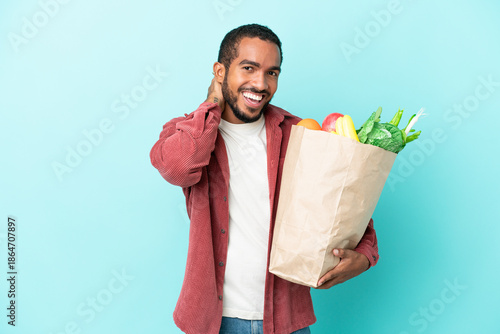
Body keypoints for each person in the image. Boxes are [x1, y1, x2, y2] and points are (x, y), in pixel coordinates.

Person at [150, 24, 379, 334]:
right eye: (248, 68)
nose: (260, 83)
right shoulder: (188, 131)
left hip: (286, 319)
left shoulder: (299, 133)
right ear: (220, 71)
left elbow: (346, 203)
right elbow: (179, 168)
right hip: (214, 321)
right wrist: (211, 105)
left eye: (272, 73)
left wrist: (364, 256)